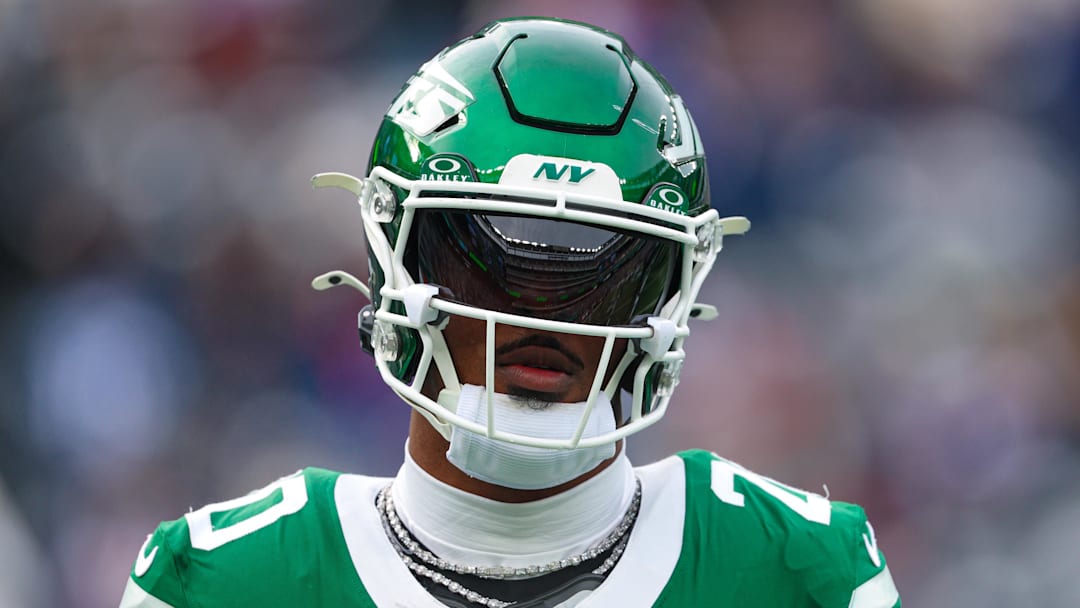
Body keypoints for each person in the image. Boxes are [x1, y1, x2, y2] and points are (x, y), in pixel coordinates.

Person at [119, 16, 900, 608]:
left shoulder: (801, 572)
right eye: (485, 262)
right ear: (399, 261)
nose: (540, 318)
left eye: (600, 271)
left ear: (671, 293)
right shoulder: (224, 584)